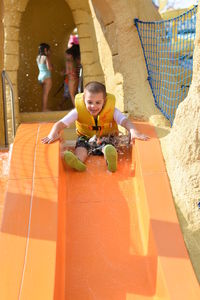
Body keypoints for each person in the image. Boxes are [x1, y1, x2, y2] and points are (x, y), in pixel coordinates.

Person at [41, 81, 149, 172]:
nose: (93, 106)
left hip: (106, 137)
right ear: (83, 99)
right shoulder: (78, 111)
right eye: (89, 102)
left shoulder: (112, 111)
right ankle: (78, 161)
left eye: (98, 102)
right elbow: (60, 123)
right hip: (86, 137)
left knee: (108, 144)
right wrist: (53, 133)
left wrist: (133, 131)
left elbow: (125, 121)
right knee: (81, 146)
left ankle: (110, 158)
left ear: (105, 101)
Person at [36, 43, 53, 111]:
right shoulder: (46, 57)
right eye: (49, 50)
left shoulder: (38, 57)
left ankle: (44, 108)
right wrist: (52, 65)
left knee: (44, 94)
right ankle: (44, 109)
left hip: (40, 76)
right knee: (46, 94)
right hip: (47, 76)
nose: (50, 51)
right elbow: (49, 68)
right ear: (45, 49)